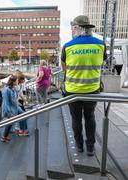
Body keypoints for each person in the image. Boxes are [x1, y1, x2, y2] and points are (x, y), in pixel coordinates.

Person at [61, 15, 106, 156]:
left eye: (72, 27)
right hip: (92, 89)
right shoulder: (100, 44)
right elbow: (101, 63)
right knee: (90, 117)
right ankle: (91, 147)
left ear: (76, 28)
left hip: (72, 91)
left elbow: (64, 68)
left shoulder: (68, 46)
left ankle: (79, 146)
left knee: (76, 119)